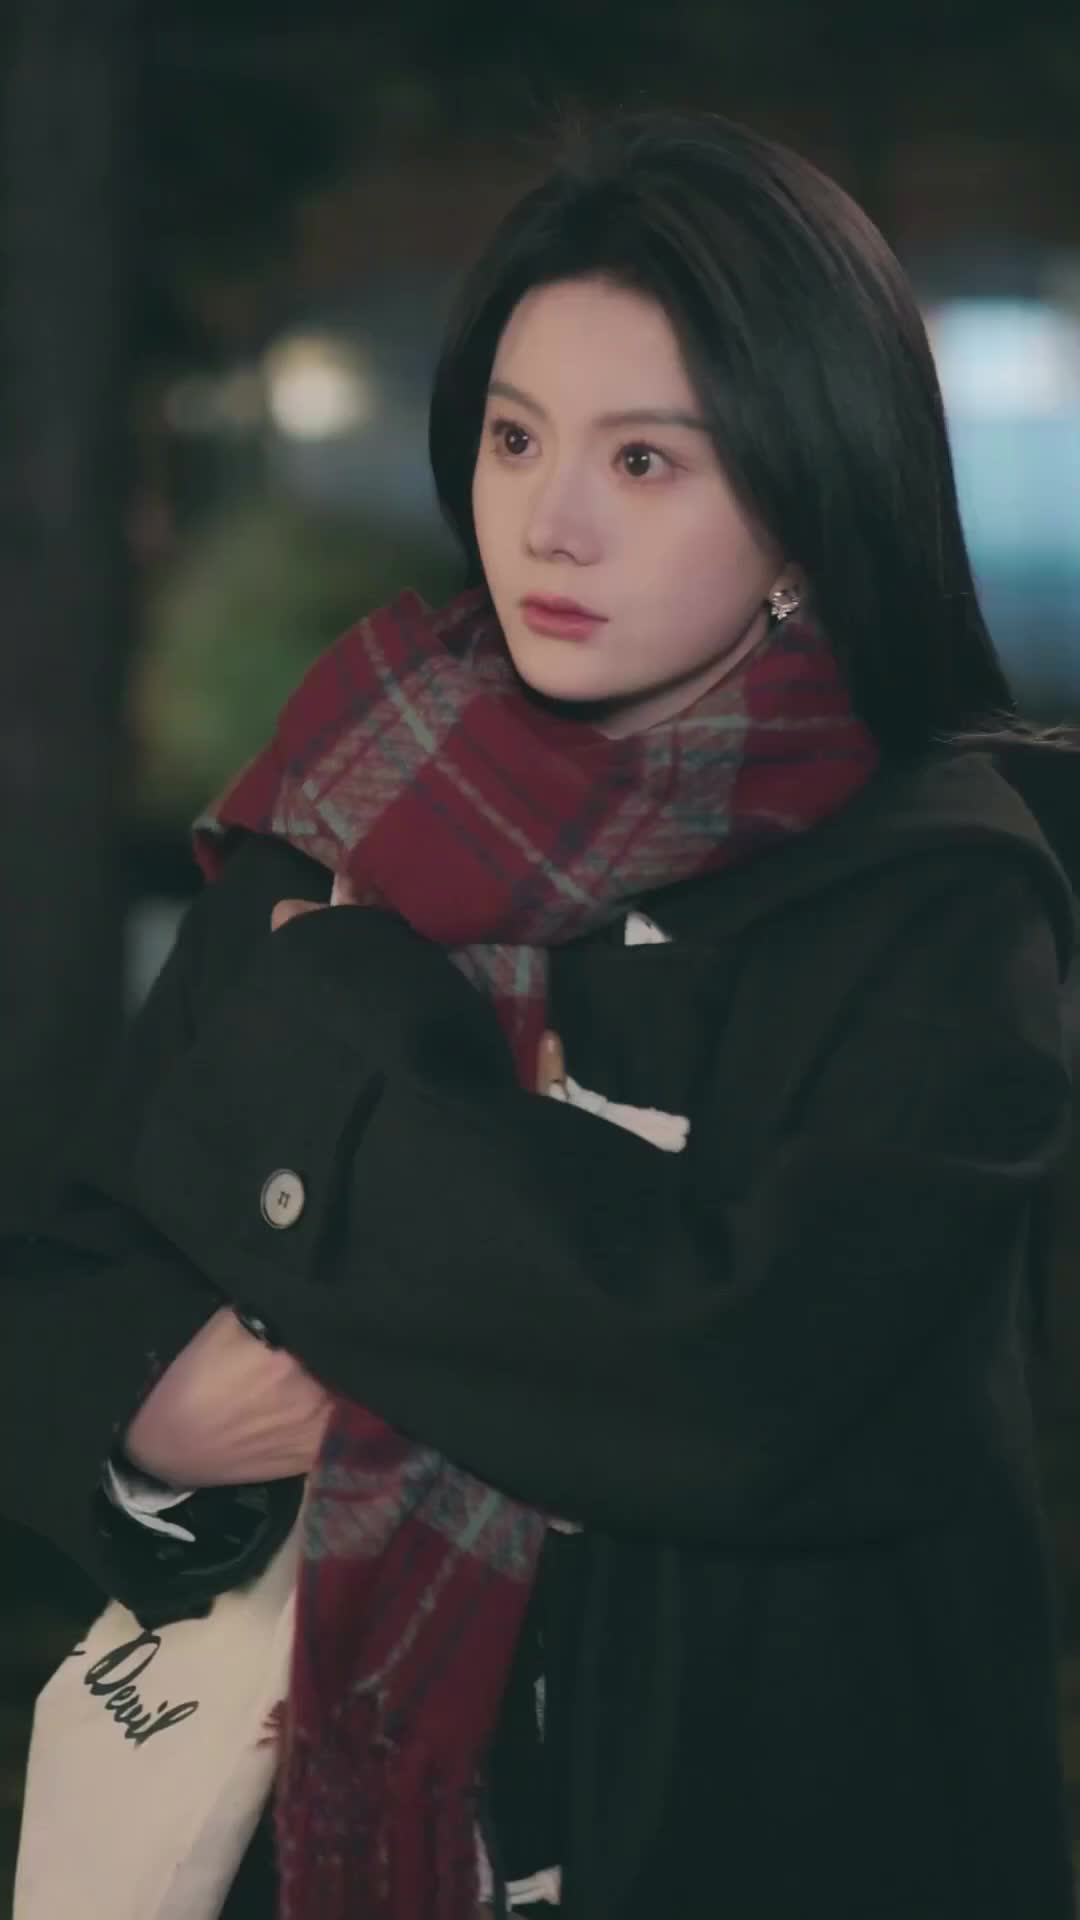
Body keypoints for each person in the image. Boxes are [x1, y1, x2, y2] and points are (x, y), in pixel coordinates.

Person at [3, 108, 1078, 1920]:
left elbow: (743, 1385)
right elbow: (77, 1273)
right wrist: (160, 1421)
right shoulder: (347, 800)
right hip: (304, 1838)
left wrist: (352, 1034)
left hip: (756, 1839)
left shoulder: (936, 895)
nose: (550, 522)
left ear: (807, 494)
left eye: (646, 460)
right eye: (515, 438)